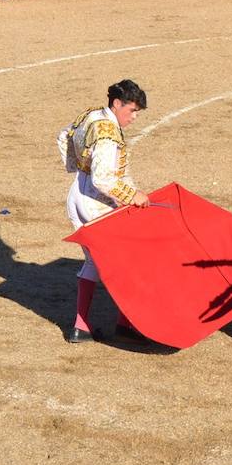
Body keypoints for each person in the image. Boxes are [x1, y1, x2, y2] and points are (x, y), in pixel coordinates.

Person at [57, 80, 151, 344]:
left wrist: (78, 168)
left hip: (76, 196)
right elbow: (104, 181)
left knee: (94, 262)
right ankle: (126, 322)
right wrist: (132, 196)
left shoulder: (92, 115)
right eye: (131, 110)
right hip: (97, 205)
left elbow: (64, 136)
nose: (133, 117)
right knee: (133, 259)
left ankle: (81, 327)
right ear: (117, 103)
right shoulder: (108, 134)